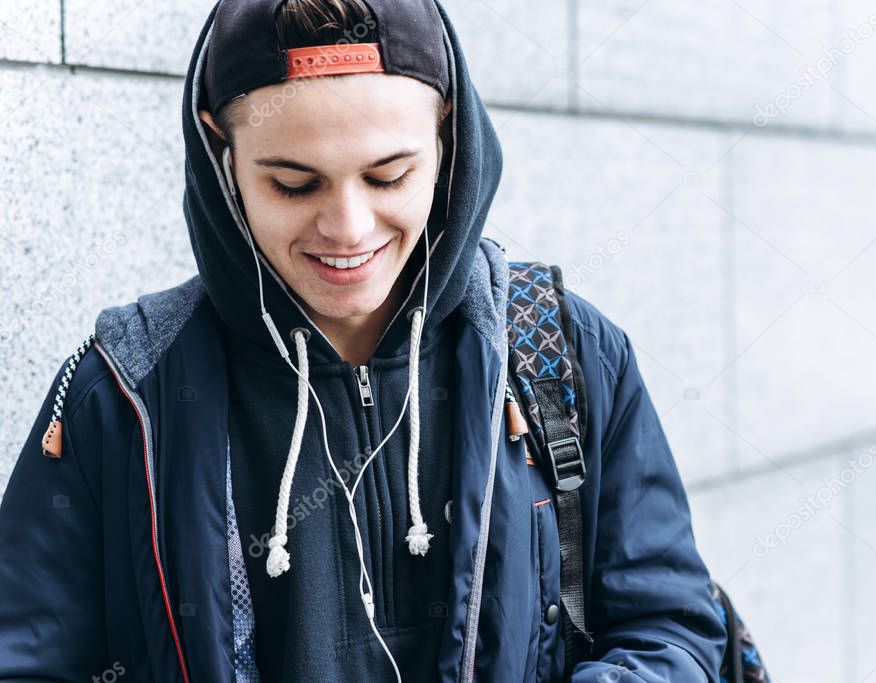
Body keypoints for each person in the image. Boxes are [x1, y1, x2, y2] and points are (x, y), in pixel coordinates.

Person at [0, 0, 726, 680]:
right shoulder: (127, 392)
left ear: (448, 138)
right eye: (293, 183)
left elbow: (669, 627)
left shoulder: (563, 350)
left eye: (388, 176)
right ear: (220, 154)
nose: (348, 228)